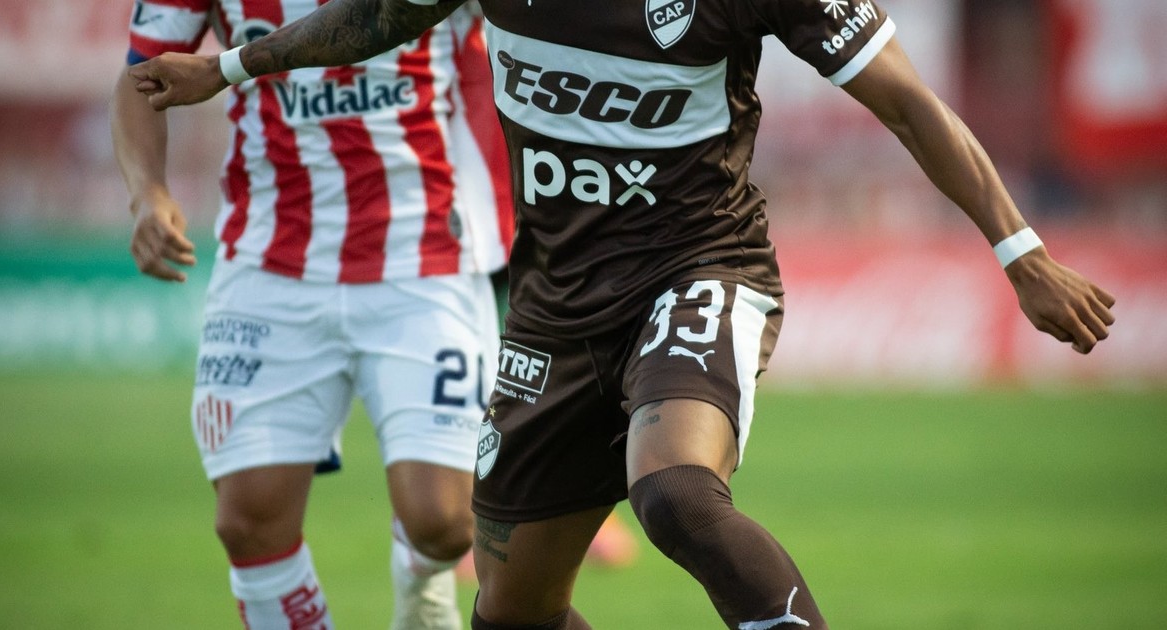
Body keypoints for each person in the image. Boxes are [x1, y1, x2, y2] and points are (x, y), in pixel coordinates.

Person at [127, 0, 1117, 628]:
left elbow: (908, 102)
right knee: (511, 616)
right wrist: (230, 69)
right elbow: (382, 15)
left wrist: (1020, 252)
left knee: (675, 494)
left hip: (700, 268)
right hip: (556, 308)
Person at [111, 2, 515, 628]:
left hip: (425, 255)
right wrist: (147, 192)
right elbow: (140, 74)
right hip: (270, 263)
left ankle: (421, 581)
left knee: (445, 521)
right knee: (248, 521)